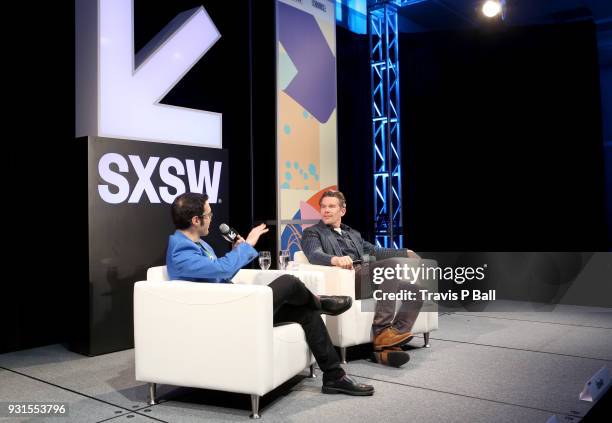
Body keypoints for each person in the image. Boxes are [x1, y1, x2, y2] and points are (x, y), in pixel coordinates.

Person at [166, 192, 374, 396]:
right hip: (224, 315)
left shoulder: (198, 244)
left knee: (306, 313)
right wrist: (246, 246)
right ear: (195, 220)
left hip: (232, 306)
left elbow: (216, 275)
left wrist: (238, 250)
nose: (212, 219)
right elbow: (221, 270)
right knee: (288, 282)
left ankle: (334, 377)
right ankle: (320, 301)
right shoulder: (180, 251)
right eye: (209, 215)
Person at [300, 190, 423, 367]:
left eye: (331, 206)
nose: (326, 210)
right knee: (390, 265)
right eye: (323, 206)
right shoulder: (313, 232)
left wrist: (406, 252)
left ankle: (387, 346)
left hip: (366, 276)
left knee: (415, 292)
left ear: (342, 211)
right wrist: (335, 259)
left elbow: (374, 251)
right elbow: (314, 254)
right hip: (347, 279)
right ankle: (382, 331)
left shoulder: (353, 234)